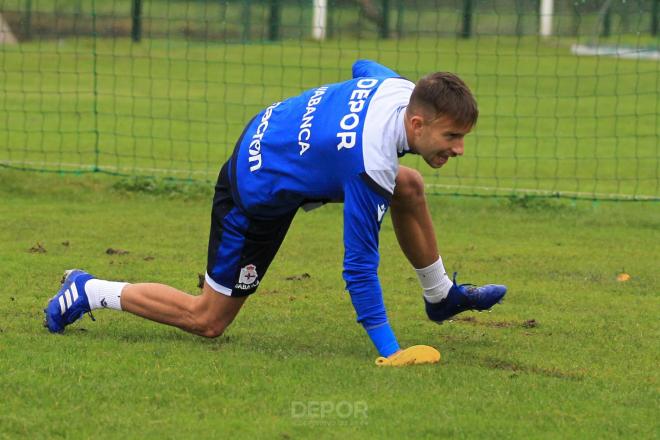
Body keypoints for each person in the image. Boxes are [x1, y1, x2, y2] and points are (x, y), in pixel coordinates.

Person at [43, 60, 507, 366]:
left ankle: (440, 296)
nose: (460, 149)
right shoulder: (368, 164)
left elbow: (362, 66)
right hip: (255, 193)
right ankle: (89, 289)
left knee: (409, 184)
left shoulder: (395, 88)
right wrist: (391, 351)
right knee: (208, 320)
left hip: (277, 141)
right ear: (417, 124)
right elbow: (359, 268)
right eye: (451, 138)